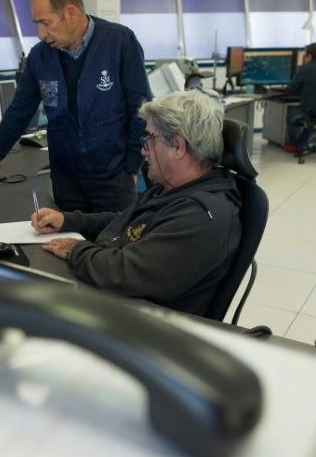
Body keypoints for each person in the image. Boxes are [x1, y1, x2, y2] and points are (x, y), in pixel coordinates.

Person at [30, 90, 241, 316]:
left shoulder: (199, 216)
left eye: (149, 139)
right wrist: (68, 220)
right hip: (116, 300)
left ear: (178, 146)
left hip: (138, 326)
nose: (143, 150)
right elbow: (125, 222)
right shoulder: (172, 190)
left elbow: (123, 272)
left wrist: (75, 249)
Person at [0, 0, 151, 213]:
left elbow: (141, 111)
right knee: (68, 245)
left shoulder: (119, 42)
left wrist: (132, 167)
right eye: (36, 24)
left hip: (112, 179)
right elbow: (18, 113)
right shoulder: (40, 57)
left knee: (112, 246)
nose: (40, 34)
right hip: (66, 181)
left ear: (71, 13)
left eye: (45, 23)